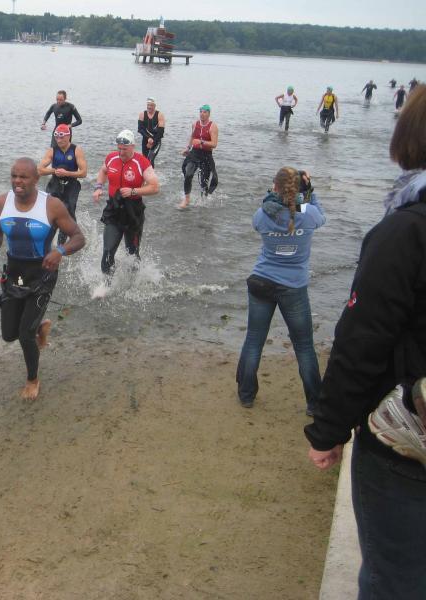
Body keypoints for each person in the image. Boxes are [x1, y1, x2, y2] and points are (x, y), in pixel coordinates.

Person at [305, 86, 426, 600]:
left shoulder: (405, 231)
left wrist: (328, 429)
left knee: (393, 577)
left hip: (408, 439)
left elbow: (362, 339)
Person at [0, 158, 85, 400]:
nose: (17, 181)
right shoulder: (2, 202)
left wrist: (60, 251)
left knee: (25, 335)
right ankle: (38, 327)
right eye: (14, 176)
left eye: (24, 177)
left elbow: (78, 237)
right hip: (14, 271)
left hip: (42, 273)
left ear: (36, 180)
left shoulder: (52, 206)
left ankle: (32, 380)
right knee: (9, 334)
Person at [236, 168, 325, 414]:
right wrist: (310, 191)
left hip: (262, 281)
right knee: (304, 346)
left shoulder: (263, 213)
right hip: (293, 287)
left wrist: (276, 199)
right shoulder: (308, 213)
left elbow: (259, 223)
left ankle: (246, 395)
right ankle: (314, 403)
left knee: (254, 339)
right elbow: (320, 217)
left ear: (275, 187)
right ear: (299, 189)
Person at [91, 130, 159, 275]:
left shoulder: (142, 162)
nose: (121, 152)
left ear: (133, 146)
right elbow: (103, 171)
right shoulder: (111, 158)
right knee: (107, 252)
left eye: (125, 149)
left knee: (132, 253)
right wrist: (98, 187)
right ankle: (106, 284)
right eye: (119, 148)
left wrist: (133, 191)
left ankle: (134, 281)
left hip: (133, 211)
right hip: (114, 209)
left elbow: (155, 187)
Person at [37, 124, 88, 244]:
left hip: (71, 185)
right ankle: (46, 241)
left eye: (61, 137)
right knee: (50, 212)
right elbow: (40, 170)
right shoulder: (52, 151)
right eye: (56, 137)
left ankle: (62, 244)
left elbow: (83, 173)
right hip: (55, 184)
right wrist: (54, 171)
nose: (58, 140)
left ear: (68, 136)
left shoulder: (76, 150)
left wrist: (67, 173)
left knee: (67, 213)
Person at [178, 104, 219, 209]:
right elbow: (192, 137)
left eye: (204, 112)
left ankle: (203, 201)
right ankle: (186, 199)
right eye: (200, 112)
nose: (202, 114)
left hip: (206, 155)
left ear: (209, 114)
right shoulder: (195, 124)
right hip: (194, 153)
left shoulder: (213, 126)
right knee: (188, 174)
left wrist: (201, 142)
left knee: (203, 183)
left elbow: (214, 144)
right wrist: (188, 148)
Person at [137, 97, 166, 167]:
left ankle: (151, 173)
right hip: (145, 140)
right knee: (145, 160)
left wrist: (153, 142)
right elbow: (140, 129)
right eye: (148, 105)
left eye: (151, 105)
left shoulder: (160, 115)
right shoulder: (142, 114)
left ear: (155, 106)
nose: (149, 107)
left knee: (150, 159)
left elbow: (161, 132)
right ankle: (147, 173)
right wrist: (148, 138)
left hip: (156, 140)